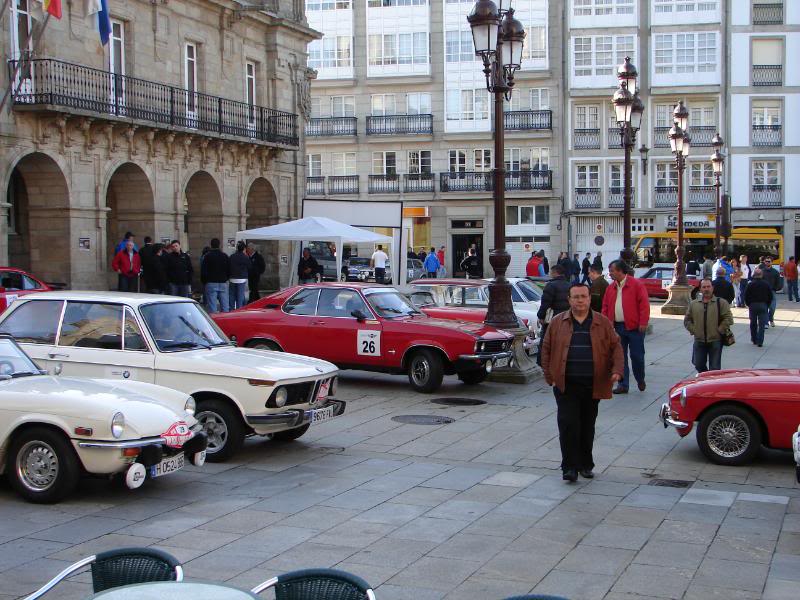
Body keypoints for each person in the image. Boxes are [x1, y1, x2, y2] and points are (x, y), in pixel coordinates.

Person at [541, 283, 623, 482]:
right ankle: (569, 467)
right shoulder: (558, 322)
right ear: (569, 300)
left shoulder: (602, 322)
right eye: (576, 297)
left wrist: (617, 370)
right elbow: (546, 348)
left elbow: (616, 347)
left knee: (587, 426)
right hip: (566, 385)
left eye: (583, 296)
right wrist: (549, 374)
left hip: (592, 384)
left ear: (589, 299)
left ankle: (586, 464)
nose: (580, 300)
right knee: (568, 425)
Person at [602, 259, 650, 394]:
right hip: (617, 327)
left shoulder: (636, 285)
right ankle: (623, 384)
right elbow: (605, 306)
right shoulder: (610, 287)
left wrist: (643, 322)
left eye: (612, 271)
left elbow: (644, 305)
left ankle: (640, 378)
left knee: (637, 356)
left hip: (635, 328)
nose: (610, 273)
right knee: (619, 357)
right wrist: (606, 323)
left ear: (620, 271)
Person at [685, 278, 734, 373]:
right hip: (699, 340)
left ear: (713, 288)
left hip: (715, 340)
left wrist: (719, 330)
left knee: (715, 368)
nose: (706, 289)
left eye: (708, 286)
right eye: (704, 287)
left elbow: (729, 319)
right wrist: (694, 330)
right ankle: (705, 379)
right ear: (700, 289)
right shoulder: (694, 304)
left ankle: (711, 383)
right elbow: (687, 320)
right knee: (698, 364)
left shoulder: (721, 303)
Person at [536, 264, 571, 365]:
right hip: (566, 318)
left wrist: (541, 316)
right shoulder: (569, 285)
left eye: (551, 272)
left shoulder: (551, 285)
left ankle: (543, 362)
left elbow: (545, 303)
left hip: (553, 318)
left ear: (555, 273)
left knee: (546, 341)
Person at [744, 268, 773, 347]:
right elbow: (770, 296)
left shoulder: (750, 284)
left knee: (753, 323)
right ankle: (760, 341)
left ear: (754, 275)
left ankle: (754, 339)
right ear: (761, 275)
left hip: (753, 305)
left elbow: (746, 295)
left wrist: (748, 304)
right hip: (763, 305)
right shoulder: (766, 284)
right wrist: (767, 304)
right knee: (762, 324)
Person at [201, 238, 230, 313]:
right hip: (223, 282)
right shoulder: (224, 256)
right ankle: (225, 320)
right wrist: (226, 278)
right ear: (219, 245)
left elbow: (203, 271)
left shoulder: (207, 256)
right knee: (225, 305)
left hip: (211, 282)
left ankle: (214, 322)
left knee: (212, 306)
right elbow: (229, 269)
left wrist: (204, 282)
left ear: (211, 245)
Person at [759, 256, 780, 328]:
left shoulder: (775, 272)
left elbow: (779, 282)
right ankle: (766, 322)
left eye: (769, 261)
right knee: (764, 307)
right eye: (766, 261)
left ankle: (771, 319)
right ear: (764, 262)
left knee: (772, 308)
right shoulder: (761, 271)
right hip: (763, 292)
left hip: (772, 292)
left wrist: (775, 288)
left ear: (771, 262)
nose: (767, 262)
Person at [229, 241, 250, 310]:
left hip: (232, 278)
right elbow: (249, 267)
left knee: (232, 296)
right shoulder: (245, 257)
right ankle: (239, 310)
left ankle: (231, 309)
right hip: (241, 279)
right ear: (244, 248)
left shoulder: (232, 256)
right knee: (240, 296)